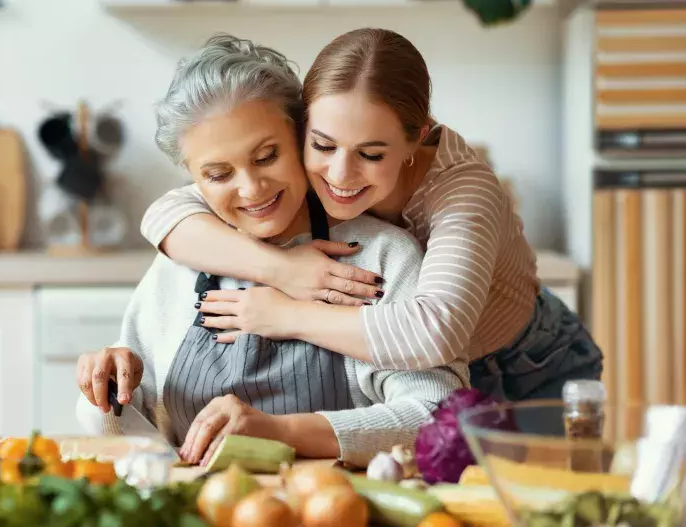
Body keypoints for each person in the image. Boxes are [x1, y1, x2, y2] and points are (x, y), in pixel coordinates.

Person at [138, 28, 602, 402]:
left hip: (524, 365)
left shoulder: (464, 191)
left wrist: (286, 314)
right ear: (303, 126)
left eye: (372, 154)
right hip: (418, 372)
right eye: (321, 145)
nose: (338, 175)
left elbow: (433, 333)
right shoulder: (288, 165)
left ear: (416, 138)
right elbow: (168, 212)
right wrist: (281, 269)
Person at [76, 34, 468, 468]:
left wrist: (279, 433)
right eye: (219, 173)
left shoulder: (380, 256)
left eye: (266, 156)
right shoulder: (180, 259)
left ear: (300, 134)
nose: (252, 189)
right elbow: (144, 445)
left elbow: (439, 417)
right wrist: (109, 395)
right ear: (193, 179)